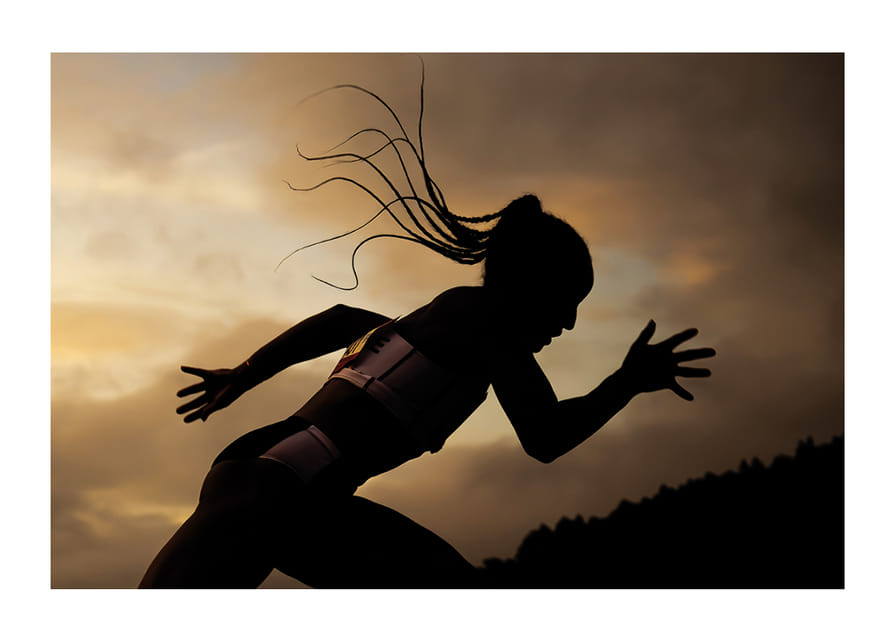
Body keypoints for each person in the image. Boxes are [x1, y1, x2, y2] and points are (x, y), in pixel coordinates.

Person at [139, 83, 715, 589]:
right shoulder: (488, 321)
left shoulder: (439, 321)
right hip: (282, 488)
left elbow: (340, 320)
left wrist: (244, 374)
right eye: (565, 305)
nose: (566, 325)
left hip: (278, 480)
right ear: (530, 287)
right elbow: (545, 437)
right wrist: (626, 381)